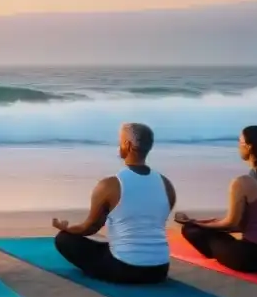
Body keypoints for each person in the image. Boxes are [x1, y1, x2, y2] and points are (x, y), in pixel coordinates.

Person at [51, 122, 175, 285]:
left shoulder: (110, 185)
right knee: (110, 245)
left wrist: (66, 228)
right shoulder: (166, 184)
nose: (119, 145)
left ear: (128, 145)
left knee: (64, 239)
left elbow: (90, 228)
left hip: (124, 269)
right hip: (159, 270)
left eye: (120, 141)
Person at [176, 125, 257, 275]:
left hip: (252, 257)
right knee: (213, 233)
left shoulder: (242, 182)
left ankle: (213, 250)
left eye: (239, 142)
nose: (238, 146)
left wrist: (195, 223)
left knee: (191, 230)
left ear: (249, 147)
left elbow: (232, 223)